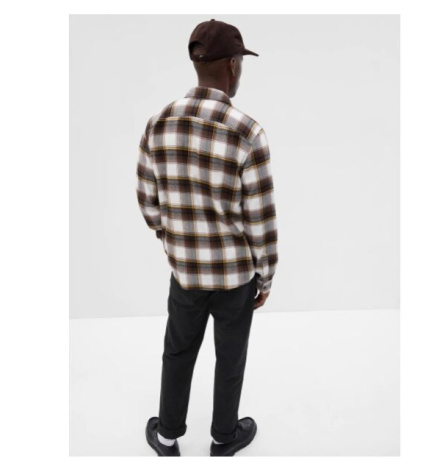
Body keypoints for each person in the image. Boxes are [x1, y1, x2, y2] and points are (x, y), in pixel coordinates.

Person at [136, 18, 278, 457]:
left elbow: (147, 201)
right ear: (233, 65)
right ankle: (223, 438)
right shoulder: (247, 132)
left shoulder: (159, 123)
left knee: (177, 351)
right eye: (241, 63)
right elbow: (260, 219)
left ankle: (167, 437)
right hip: (235, 278)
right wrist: (265, 276)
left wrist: (175, 241)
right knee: (230, 358)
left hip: (185, 273)